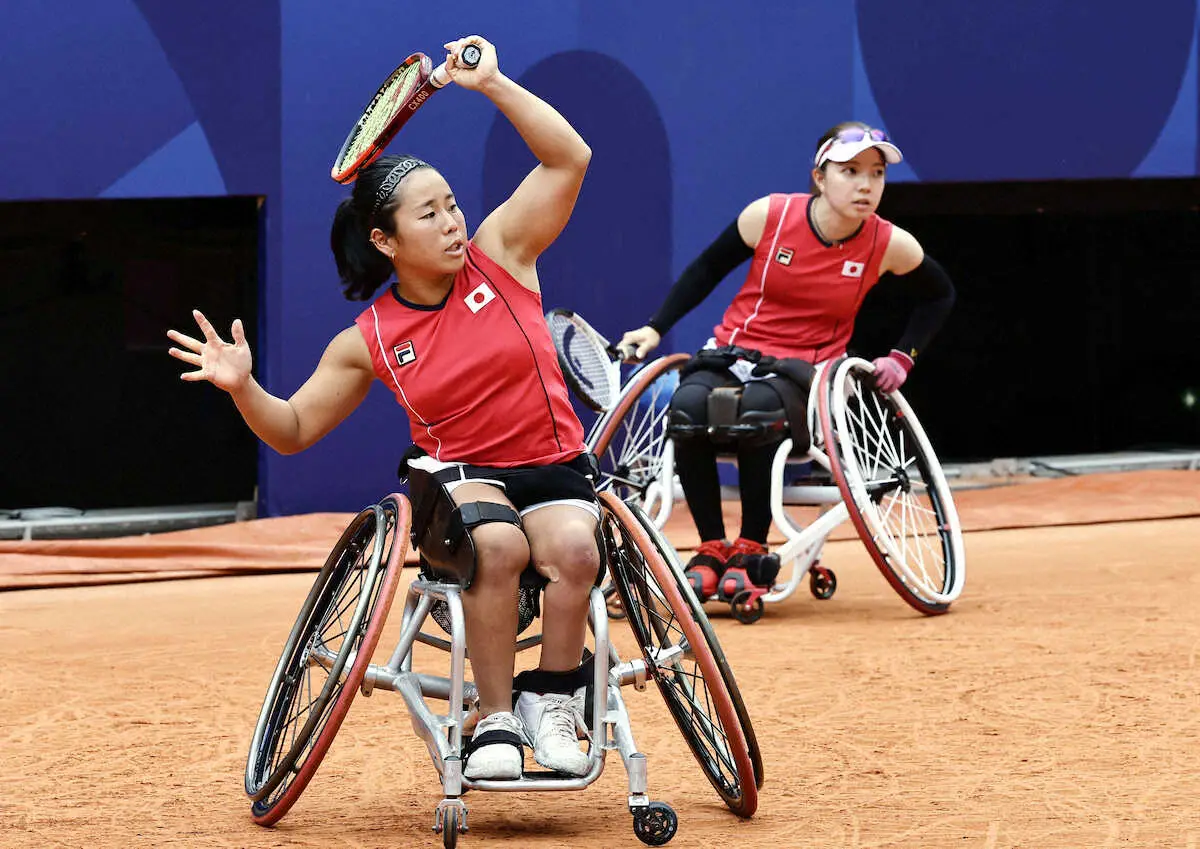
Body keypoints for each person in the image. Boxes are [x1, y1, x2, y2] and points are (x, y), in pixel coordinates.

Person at [167, 37, 599, 782]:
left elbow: (570, 159)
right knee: (499, 549)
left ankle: (551, 699)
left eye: (453, 204)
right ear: (385, 240)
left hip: (550, 464)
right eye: (429, 214)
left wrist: (493, 85)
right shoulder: (368, 339)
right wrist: (244, 387)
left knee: (576, 553)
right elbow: (295, 428)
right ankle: (494, 717)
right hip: (462, 481)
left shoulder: (504, 253)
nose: (454, 222)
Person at [618, 121, 956, 600]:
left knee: (759, 409)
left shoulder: (888, 244)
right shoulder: (770, 217)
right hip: (734, 349)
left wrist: (904, 357)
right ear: (819, 177)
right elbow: (707, 269)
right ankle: (713, 546)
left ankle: (752, 546)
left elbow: (939, 295)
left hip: (808, 373)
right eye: (851, 171)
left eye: (876, 174)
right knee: (689, 406)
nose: (866, 184)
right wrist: (655, 325)